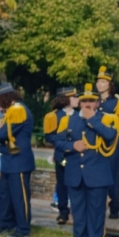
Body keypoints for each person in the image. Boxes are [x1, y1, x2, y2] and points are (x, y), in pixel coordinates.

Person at [53, 84, 119, 237]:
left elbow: (111, 136)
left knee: (96, 210)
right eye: (84, 101)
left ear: (97, 103)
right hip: (75, 172)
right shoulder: (69, 120)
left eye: (91, 101)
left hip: (97, 172)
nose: (87, 104)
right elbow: (58, 141)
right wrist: (72, 145)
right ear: (79, 103)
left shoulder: (106, 118)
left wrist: (92, 119)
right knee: (78, 209)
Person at [0, 83, 35, 237]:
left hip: (19, 161)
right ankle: (3, 223)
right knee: (2, 195)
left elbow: (3, 134)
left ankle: (23, 228)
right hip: (8, 160)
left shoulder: (18, 110)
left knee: (19, 197)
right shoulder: (12, 110)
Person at [94, 66, 119, 220]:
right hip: (95, 143)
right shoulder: (93, 100)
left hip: (111, 144)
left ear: (109, 84)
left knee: (112, 175)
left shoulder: (118, 102)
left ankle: (114, 205)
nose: (100, 84)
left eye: (103, 81)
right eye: (98, 81)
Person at [43, 88, 77, 225]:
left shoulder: (80, 115)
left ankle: (77, 211)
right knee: (62, 185)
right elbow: (49, 136)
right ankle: (63, 211)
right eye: (74, 97)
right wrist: (62, 142)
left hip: (76, 155)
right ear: (66, 98)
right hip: (62, 154)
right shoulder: (53, 116)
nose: (77, 99)